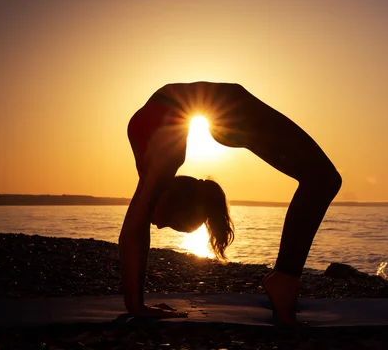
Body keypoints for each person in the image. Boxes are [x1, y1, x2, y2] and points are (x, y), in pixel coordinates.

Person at [119, 81, 342, 325]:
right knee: (322, 180)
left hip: (229, 108)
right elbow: (132, 232)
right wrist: (136, 306)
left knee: (324, 180)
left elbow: (133, 232)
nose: (159, 226)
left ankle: (285, 279)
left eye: (171, 223)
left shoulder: (162, 162)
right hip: (225, 109)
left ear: (174, 200)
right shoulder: (159, 165)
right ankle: (285, 278)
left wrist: (137, 306)